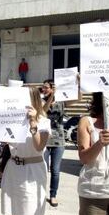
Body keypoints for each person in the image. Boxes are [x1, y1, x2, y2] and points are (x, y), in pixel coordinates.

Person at [1, 87, 51, 215]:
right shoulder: (12, 119)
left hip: (32, 173)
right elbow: (4, 140)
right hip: (13, 169)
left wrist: (33, 124)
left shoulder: (43, 121)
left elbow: (39, 146)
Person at [41, 79, 65, 207]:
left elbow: (77, 98)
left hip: (58, 141)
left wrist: (78, 83)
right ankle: (41, 193)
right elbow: (44, 110)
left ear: (52, 88)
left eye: (46, 87)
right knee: (43, 169)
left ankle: (53, 195)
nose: (43, 89)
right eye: (43, 87)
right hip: (44, 140)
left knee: (55, 170)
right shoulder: (41, 101)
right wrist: (50, 97)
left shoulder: (61, 102)